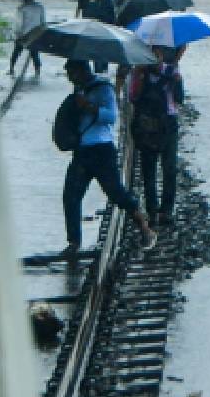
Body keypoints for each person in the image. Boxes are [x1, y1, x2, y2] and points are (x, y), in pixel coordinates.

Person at [60, 59, 157, 255]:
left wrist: (88, 106)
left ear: (82, 71)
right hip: (82, 150)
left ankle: (145, 227)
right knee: (71, 195)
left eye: (72, 73)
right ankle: (74, 242)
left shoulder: (104, 89)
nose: (70, 78)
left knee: (116, 193)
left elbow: (111, 117)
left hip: (102, 149)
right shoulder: (79, 90)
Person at [129, 46, 186, 225]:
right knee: (149, 169)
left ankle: (166, 210)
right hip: (147, 126)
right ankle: (152, 210)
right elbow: (133, 97)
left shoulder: (172, 71)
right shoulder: (140, 73)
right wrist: (138, 77)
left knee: (169, 168)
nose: (155, 59)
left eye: (157, 56)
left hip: (168, 123)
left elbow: (179, 99)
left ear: (162, 56)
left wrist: (177, 82)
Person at [75, 0, 116, 73]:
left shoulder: (102, 2)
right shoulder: (104, 2)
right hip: (101, 31)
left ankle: (100, 69)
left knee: (99, 53)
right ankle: (101, 69)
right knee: (100, 53)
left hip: (100, 31)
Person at [8, 0, 46, 78]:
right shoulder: (40, 7)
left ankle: (11, 68)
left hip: (24, 34)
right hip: (36, 33)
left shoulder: (21, 8)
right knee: (34, 52)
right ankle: (37, 70)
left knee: (17, 51)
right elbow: (43, 22)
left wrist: (16, 34)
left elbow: (19, 23)